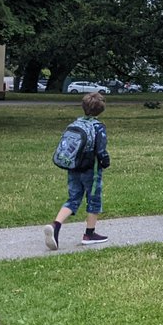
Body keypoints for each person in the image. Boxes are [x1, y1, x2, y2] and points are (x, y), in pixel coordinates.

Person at [44, 92, 112, 249]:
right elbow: (100, 151)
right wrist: (105, 161)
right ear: (101, 110)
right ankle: (89, 233)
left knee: (74, 198)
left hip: (73, 167)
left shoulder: (76, 123)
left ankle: (55, 226)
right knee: (94, 199)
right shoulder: (98, 127)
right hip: (91, 170)